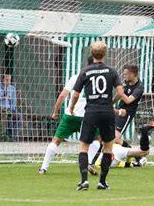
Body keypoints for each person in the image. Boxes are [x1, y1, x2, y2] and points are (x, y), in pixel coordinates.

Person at [70, 41, 132, 191]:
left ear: (92, 53)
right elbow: (121, 92)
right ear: (105, 53)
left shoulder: (85, 72)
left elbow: (76, 94)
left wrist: (71, 107)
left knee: (84, 146)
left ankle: (84, 181)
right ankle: (102, 182)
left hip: (91, 111)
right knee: (108, 146)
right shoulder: (111, 71)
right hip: (107, 112)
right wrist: (111, 102)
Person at [38, 56, 101, 175]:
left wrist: (55, 112)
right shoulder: (98, 80)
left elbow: (62, 95)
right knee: (97, 139)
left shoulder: (76, 77)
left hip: (70, 115)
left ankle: (43, 168)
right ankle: (88, 162)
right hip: (88, 116)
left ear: (86, 65)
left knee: (56, 140)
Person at [0, 74, 22, 140]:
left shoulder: (12, 88)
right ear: (2, 79)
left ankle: (15, 135)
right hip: (0, 108)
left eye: (9, 80)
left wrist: (12, 110)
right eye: (6, 79)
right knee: (8, 116)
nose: (8, 81)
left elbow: (13, 102)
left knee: (19, 115)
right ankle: (10, 136)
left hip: (9, 108)